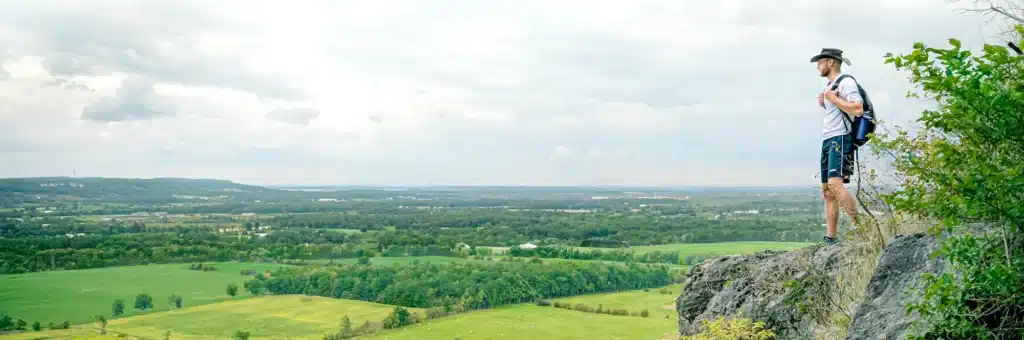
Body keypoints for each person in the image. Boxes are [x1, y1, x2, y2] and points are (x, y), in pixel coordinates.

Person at [811, 48, 862, 245]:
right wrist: (826, 103)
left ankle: (862, 227)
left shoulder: (846, 82)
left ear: (831, 62)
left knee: (835, 185)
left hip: (840, 138)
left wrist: (833, 99)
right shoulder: (830, 85)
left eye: (820, 62)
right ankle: (831, 238)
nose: (818, 66)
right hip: (828, 139)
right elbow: (839, 110)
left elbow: (858, 109)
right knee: (827, 190)